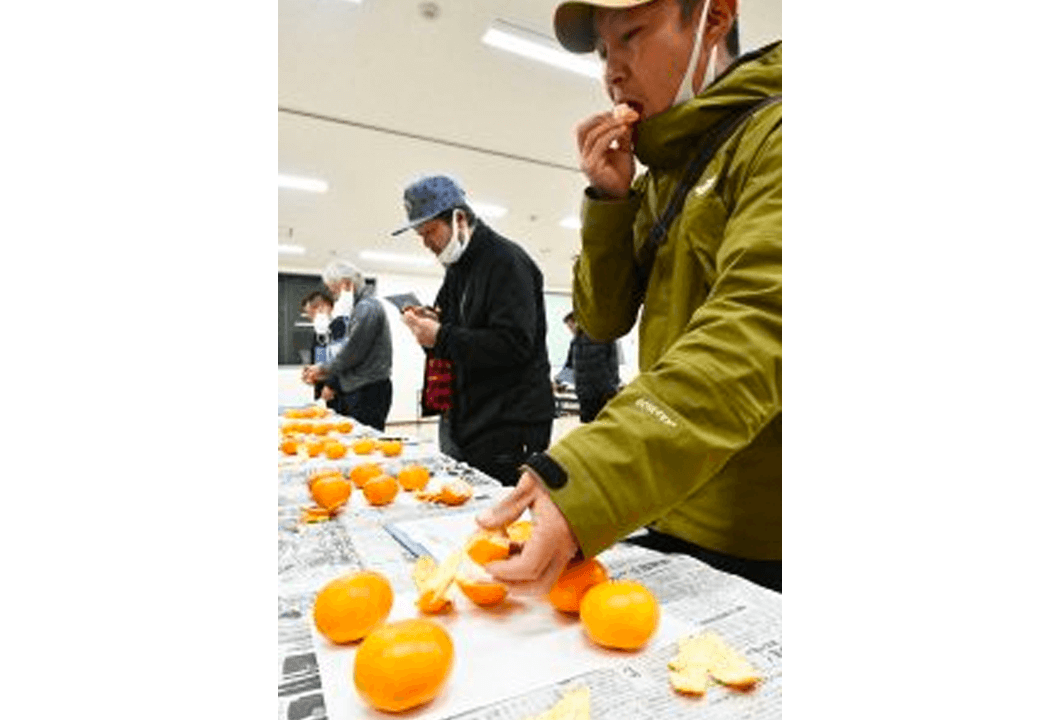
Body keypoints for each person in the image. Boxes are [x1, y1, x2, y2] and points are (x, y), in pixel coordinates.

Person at [474, 0, 782, 593]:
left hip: (756, 534)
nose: (613, 69)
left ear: (714, 19)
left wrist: (596, 475)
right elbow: (600, 317)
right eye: (603, 52)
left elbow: (754, 328)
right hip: (666, 502)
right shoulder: (663, 172)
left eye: (632, 36)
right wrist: (611, 204)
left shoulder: (769, 137)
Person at [393, 175, 555, 486]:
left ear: (459, 218)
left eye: (429, 232)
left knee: (498, 523)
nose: (426, 244)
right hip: (466, 414)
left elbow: (514, 343)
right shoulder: (457, 270)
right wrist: (429, 325)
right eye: (420, 235)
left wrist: (440, 336)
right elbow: (453, 330)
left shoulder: (506, 262)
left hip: (507, 421)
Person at [302, 260, 393, 432]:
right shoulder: (356, 309)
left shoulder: (367, 308)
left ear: (346, 285)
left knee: (366, 443)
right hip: (356, 388)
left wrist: (322, 370)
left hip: (368, 389)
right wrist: (320, 372)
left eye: (333, 290)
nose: (334, 296)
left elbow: (352, 353)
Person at [562, 311, 621, 423]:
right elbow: (569, 365)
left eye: (570, 326)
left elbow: (613, 364)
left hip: (602, 393)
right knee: (588, 425)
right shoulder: (575, 342)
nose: (570, 330)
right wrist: (559, 382)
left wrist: (613, 386)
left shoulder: (604, 336)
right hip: (584, 394)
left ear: (577, 322)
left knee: (603, 424)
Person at [299, 289, 345, 409]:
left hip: (342, 394)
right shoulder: (320, 333)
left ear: (324, 307)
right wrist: (312, 374)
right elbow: (321, 360)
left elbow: (345, 361)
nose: (311, 320)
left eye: (311, 315)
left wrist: (332, 386)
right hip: (324, 394)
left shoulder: (342, 328)